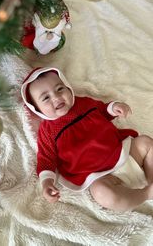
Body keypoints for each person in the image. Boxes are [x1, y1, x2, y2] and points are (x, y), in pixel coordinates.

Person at [21, 67, 153, 212]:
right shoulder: (47, 131)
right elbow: (46, 159)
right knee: (103, 194)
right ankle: (146, 194)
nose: (56, 97)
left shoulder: (83, 104)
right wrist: (46, 183)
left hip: (122, 152)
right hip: (99, 176)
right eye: (46, 98)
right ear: (36, 109)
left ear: (67, 86)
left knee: (145, 143)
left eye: (60, 89)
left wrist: (113, 108)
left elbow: (102, 110)